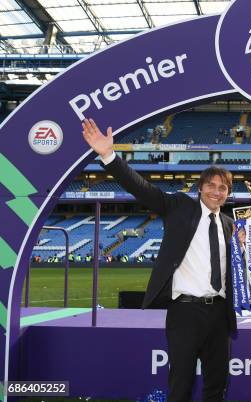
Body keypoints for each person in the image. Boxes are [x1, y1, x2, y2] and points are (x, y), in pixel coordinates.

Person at [82, 118, 235, 402]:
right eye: (211, 185)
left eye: (223, 187)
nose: (216, 191)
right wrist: (108, 155)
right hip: (185, 312)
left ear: (228, 193)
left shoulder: (228, 223)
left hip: (219, 314)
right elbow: (142, 188)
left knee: (217, 384)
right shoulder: (179, 206)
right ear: (200, 188)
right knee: (181, 383)